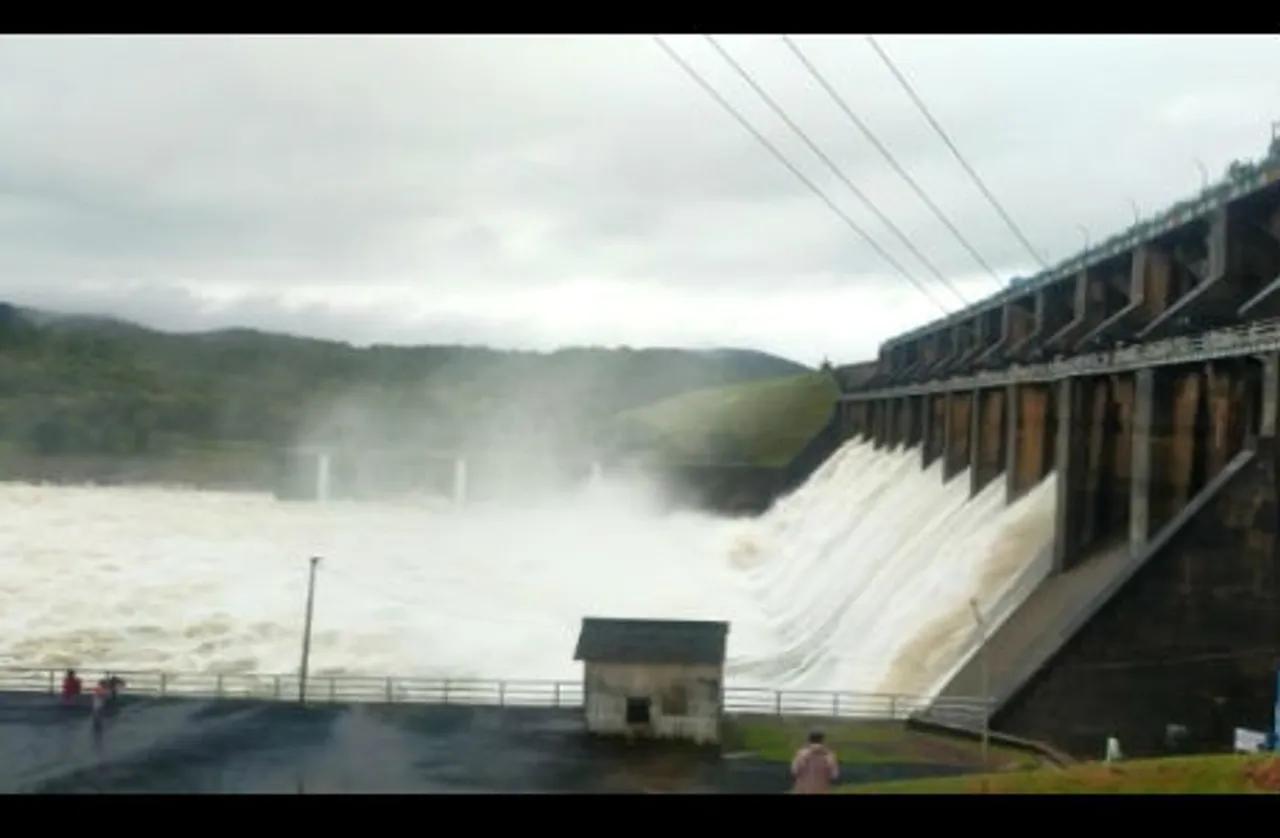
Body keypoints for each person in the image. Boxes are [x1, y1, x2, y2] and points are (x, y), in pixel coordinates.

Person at [791, 730, 839, 794]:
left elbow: (795, 771)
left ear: (809, 740)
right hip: (822, 789)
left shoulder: (802, 754)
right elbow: (833, 774)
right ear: (822, 740)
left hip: (804, 789)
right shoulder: (828, 755)